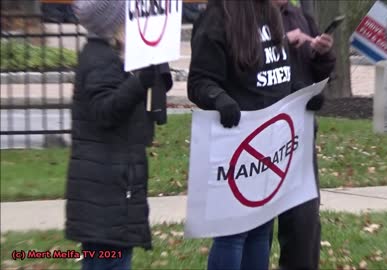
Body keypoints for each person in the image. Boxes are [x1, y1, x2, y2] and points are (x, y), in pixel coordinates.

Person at [188, 0, 323, 268]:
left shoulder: (270, 14)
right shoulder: (217, 18)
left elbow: (278, 70)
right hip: (237, 145)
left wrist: (301, 92)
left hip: (273, 144)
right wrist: (219, 99)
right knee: (233, 235)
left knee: (261, 231)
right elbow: (199, 81)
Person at [66, 1, 172, 270]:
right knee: (108, 259)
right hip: (105, 187)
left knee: (112, 256)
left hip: (114, 180)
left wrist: (155, 78)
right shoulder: (99, 59)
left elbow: (140, 111)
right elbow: (105, 111)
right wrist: (139, 82)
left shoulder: (115, 56)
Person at [272, 0, 336, 269]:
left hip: (300, 133)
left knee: (304, 222)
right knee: (252, 230)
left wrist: (322, 55)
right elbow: (245, 63)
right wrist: (282, 42)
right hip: (259, 135)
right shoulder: (245, 17)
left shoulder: (301, 17)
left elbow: (319, 72)